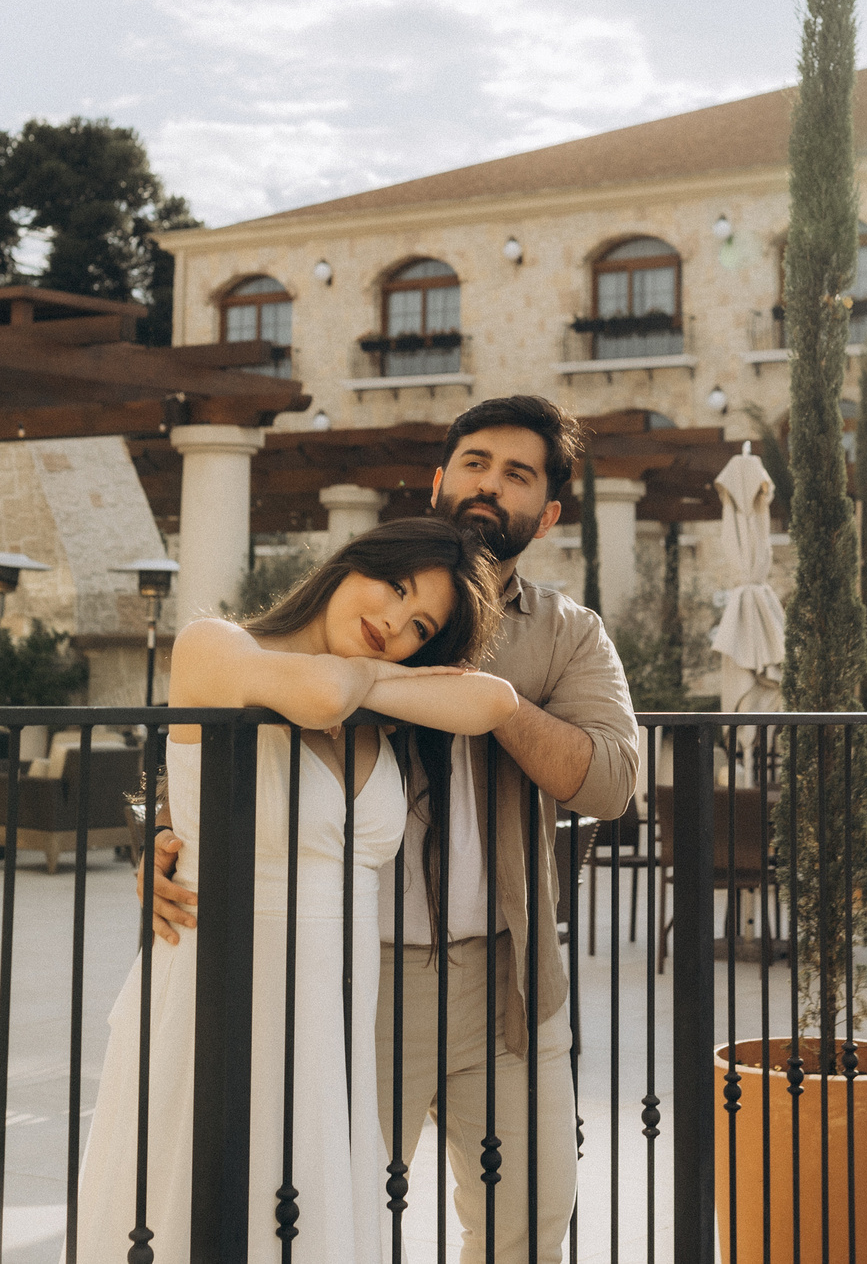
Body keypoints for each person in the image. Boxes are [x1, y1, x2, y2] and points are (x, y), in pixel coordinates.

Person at [151, 396, 641, 1263]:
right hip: (355, 976)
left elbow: (608, 782)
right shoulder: (367, 607)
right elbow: (236, 731)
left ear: (549, 513)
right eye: (477, 462)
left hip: (510, 985)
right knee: (339, 1226)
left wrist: (493, 707)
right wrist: (168, 829)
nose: (491, 484)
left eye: (518, 474)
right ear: (439, 476)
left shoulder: (569, 634)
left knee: (531, 1227)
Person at [73, 517, 516, 1263]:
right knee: (202, 1209)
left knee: (308, 1214)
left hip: (332, 1019)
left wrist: (373, 682)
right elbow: (314, 699)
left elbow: (494, 701)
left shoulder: (372, 707)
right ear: (351, 562)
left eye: (419, 627)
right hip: (220, 992)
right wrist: (380, 679)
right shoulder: (218, 647)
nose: (391, 623)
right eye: (395, 586)